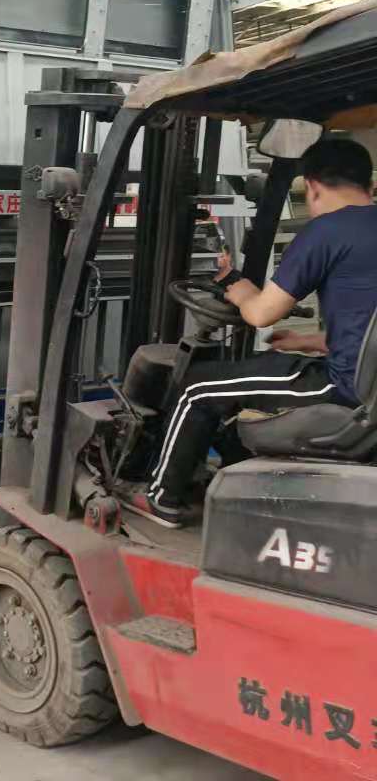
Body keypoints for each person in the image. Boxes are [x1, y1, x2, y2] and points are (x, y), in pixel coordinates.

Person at [122, 137, 377, 527]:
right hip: (367, 383)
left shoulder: (326, 231)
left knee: (197, 388)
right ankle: (237, 485)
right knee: (250, 376)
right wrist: (305, 341)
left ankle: (161, 499)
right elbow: (364, 326)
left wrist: (237, 287)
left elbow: (260, 314)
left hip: (344, 389)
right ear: (369, 185)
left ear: (311, 187)